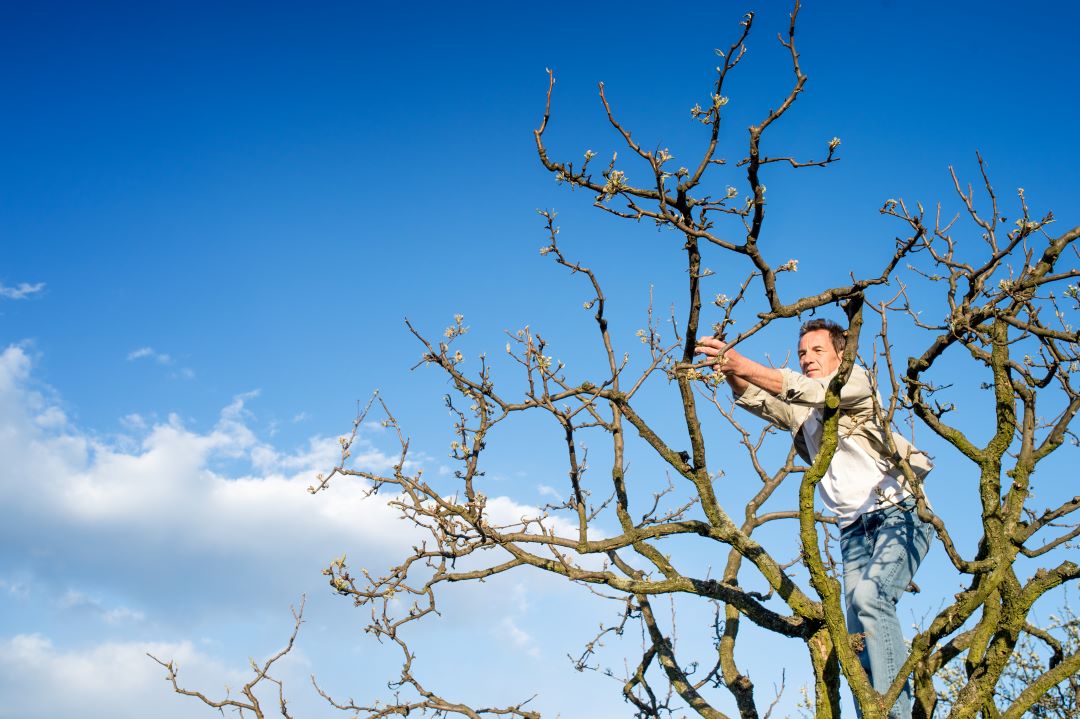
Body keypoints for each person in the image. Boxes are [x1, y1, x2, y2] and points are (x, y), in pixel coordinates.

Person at [695, 319, 933, 719]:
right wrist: (731, 370)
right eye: (802, 352)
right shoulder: (802, 411)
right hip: (853, 528)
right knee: (855, 633)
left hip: (900, 509)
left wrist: (742, 362)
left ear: (840, 355)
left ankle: (896, 714)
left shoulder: (856, 380)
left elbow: (810, 391)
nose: (806, 358)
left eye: (816, 351)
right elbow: (761, 398)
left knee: (871, 599)